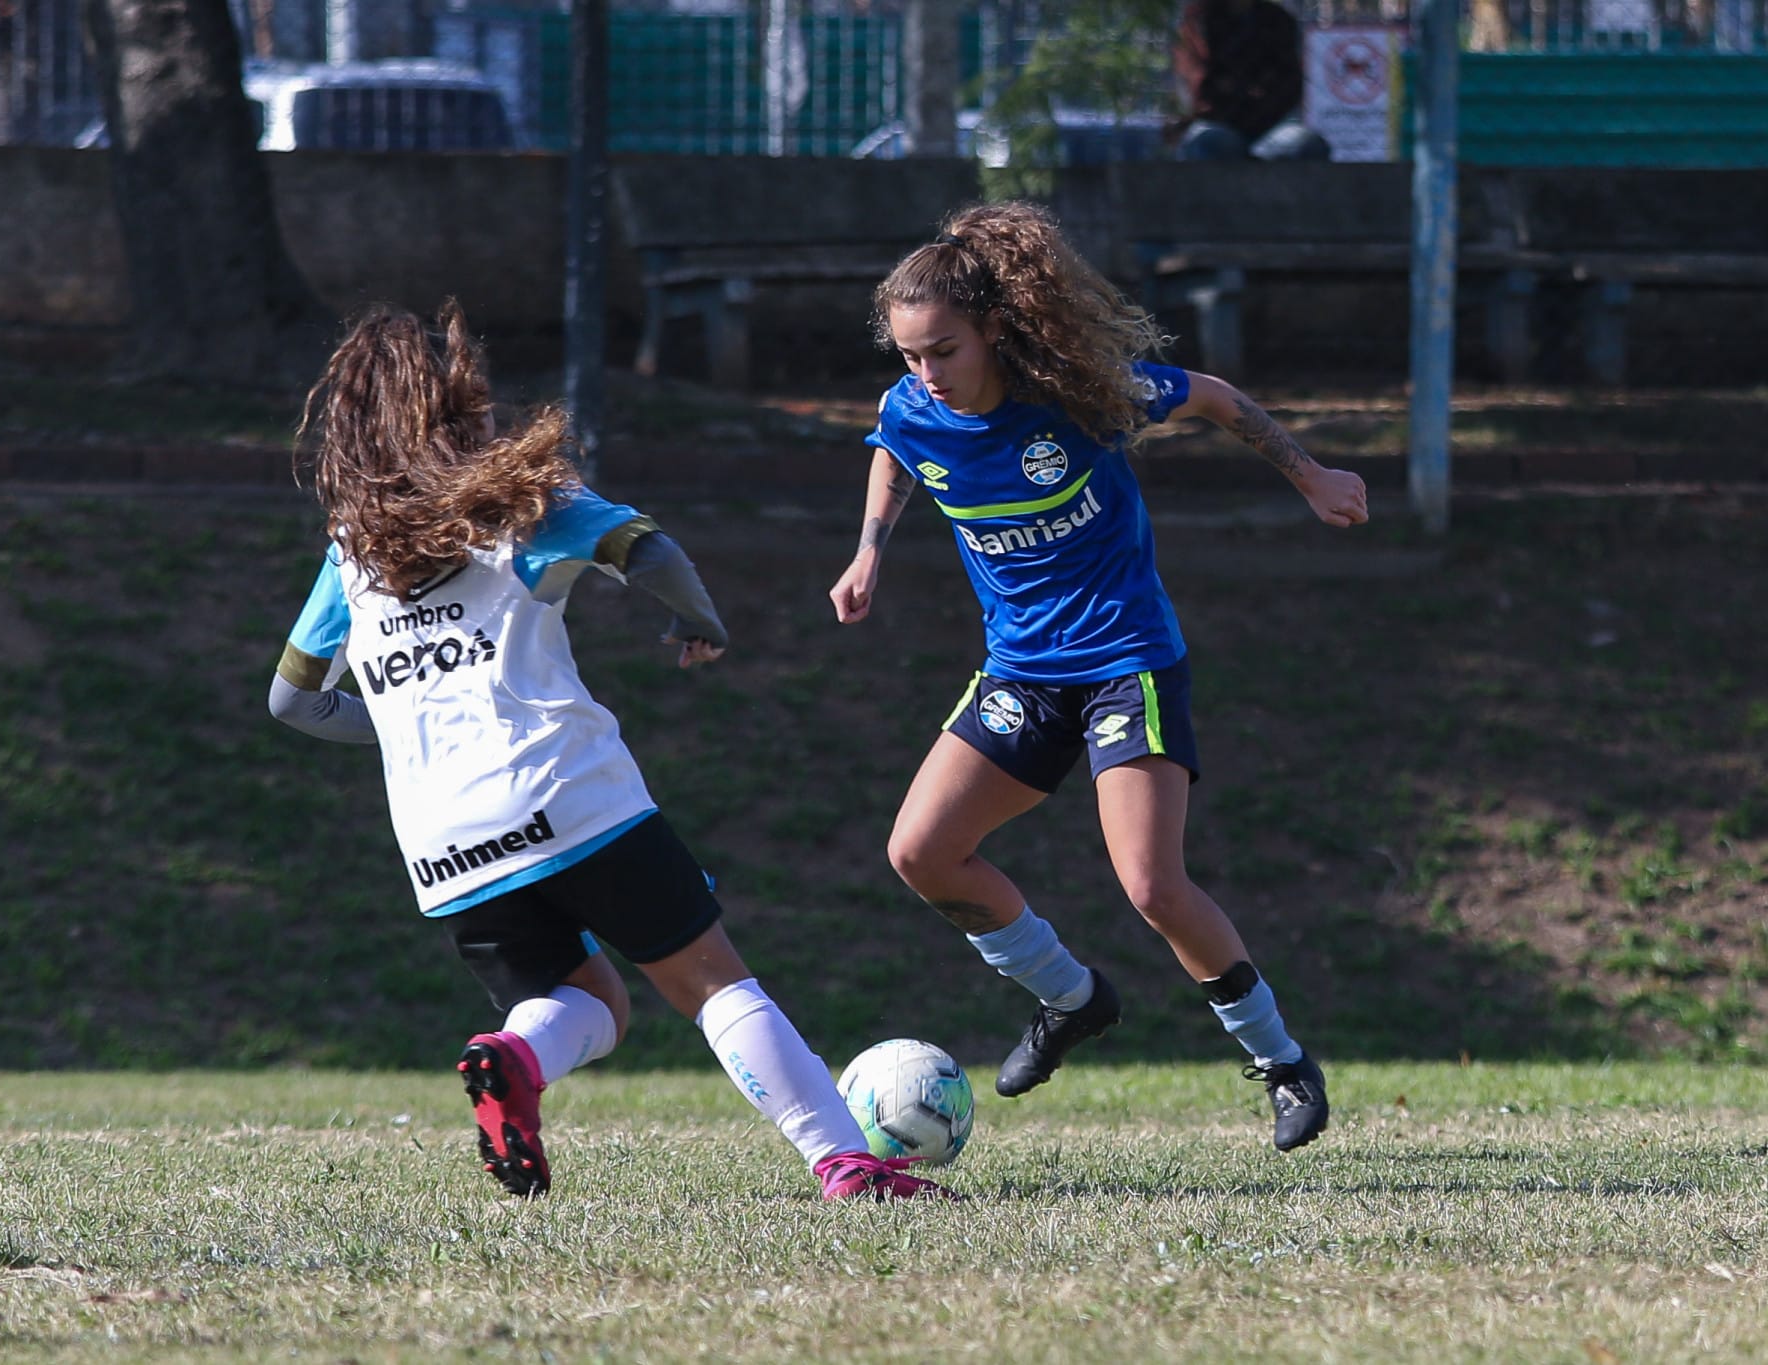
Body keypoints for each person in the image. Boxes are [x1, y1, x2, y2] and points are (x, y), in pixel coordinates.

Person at [269, 302, 953, 1201]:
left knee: (594, 999)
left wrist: (406, 733)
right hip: (568, 791)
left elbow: (294, 699)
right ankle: (845, 1162)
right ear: (458, 403)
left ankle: (513, 1054)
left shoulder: (352, 553)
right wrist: (696, 622)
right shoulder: (512, 501)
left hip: (442, 842)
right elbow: (648, 549)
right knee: (711, 982)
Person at [829, 202, 1367, 1151]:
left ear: (992, 329)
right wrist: (870, 549)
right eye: (910, 354)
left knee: (1154, 885)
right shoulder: (915, 406)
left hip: (1127, 663)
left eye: (943, 350)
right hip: (1023, 673)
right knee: (921, 852)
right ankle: (1072, 1000)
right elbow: (892, 449)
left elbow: (1210, 394)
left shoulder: (1078, 396)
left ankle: (1283, 1062)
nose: (926, 373)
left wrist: (1312, 473)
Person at [1171, 0, 1331, 162]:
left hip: (1269, 127)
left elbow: (1288, 84)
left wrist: (1248, 94)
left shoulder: (1276, 19)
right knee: (1209, 144)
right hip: (1217, 123)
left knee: (1308, 146)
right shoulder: (1199, 19)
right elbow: (1199, 85)